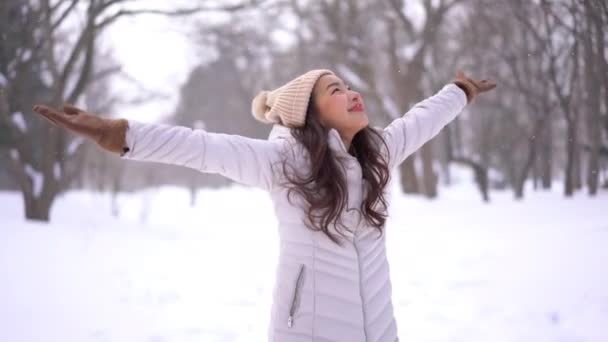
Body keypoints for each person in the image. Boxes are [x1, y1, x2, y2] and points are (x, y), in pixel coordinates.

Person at [33, 69, 496, 342]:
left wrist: (459, 92)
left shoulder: (378, 154)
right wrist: (117, 133)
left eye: (348, 85)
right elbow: (200, 146)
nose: (352, 92)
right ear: (310, 115)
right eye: (334, 90)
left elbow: (423, 120)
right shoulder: (283, 163)